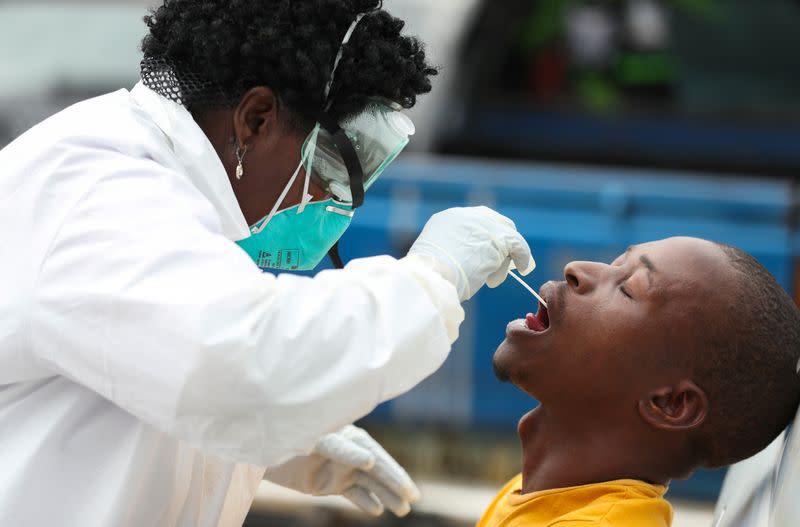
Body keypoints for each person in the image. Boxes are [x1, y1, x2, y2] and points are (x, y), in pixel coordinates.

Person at [0, 1, 535, 525]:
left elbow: (152, 361)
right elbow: (248, 367)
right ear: (256, 119)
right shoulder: (102, 192)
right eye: (329, 168)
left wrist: (288, 447)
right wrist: (433, 276)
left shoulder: (155, 186)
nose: (336, 202)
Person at [478, 237, 800, 527]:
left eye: (629, 288)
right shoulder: (538, 493)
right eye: (616, 263)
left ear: (671, 403)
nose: (576, 269)